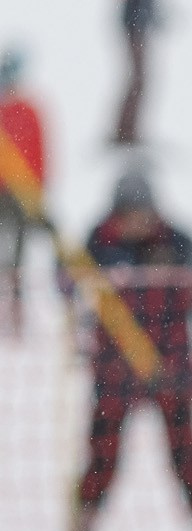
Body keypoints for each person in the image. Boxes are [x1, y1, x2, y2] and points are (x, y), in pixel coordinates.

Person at [61, 170, 192, 531]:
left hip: (171, 377)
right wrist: (72, 277)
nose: (136, 223)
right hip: (113, 378)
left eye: (142, 213)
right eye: (128, 214)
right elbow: (66, 287)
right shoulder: (98, 242)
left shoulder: (178, 243)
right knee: (98, 471)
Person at [0, 46, 42, 338]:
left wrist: (37, 193)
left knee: (17, 258)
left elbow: (40, 154)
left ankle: (16, 313)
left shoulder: (29, 111)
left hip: (22, 195)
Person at [111, 0, 159, 150]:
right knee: (138, 79)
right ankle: (125, 132)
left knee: (138, 79)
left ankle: (127, 131)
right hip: (135, 27)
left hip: (137, 25)